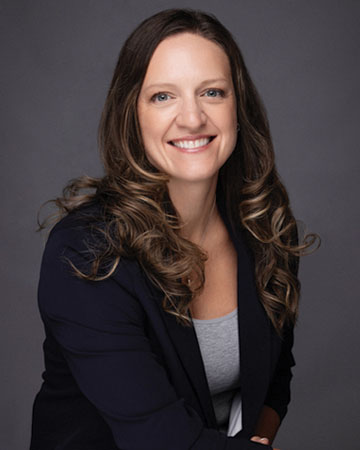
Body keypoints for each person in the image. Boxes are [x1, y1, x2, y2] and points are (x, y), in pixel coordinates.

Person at [30, 8, 317, 450]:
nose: (192, 118)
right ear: (132, 115)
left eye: (213, 92)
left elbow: (276, 378)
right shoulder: (87, 253)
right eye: (163, 96)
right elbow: (158, 438)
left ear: (238, 107)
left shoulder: (267, 231)